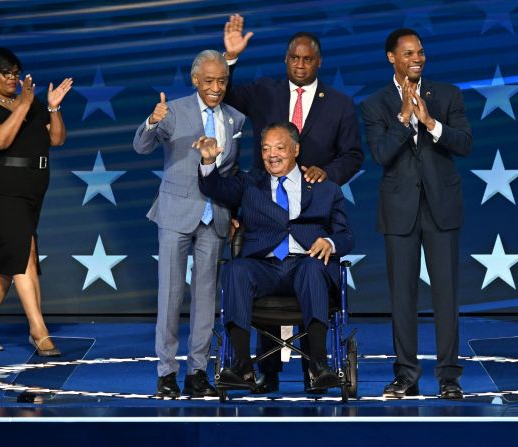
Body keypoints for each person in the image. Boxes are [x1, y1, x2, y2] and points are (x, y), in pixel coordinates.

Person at [222, 14, 364, 393]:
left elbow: (352, 155)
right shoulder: (265, 91)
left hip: (311, 210)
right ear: (286, 60)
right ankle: (258, 370)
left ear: (318, 62)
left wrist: (326, 175)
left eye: (307, 59)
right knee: (253, 265)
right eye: (293, 59)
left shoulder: (339, 104)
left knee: (308, 270)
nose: (300, 65)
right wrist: (230, 59)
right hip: (263, 207)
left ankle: (315, 368)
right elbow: (227, 96)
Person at [196, 121, 354, 393]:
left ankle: (318, 366)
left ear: (295, 149)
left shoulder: (325, 189)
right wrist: (208, 162)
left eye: (280, 148)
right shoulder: (250, 183)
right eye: (266, 148)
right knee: (236, 270)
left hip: (305, 265)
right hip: (263, 267)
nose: (272, 155)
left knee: (313, 268)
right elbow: (216, 189)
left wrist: (329, 242)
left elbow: (346, 236)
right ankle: (242, 366)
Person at [361, 29, 472, 399]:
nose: (417, 59)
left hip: (442, 207)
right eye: (408, 53)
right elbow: (380, 154)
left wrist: (430, 124)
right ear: (391, 57)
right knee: (402, 297)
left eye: (420, 52)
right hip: (399, 211)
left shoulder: (447, 95)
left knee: (446, 295)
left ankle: (449, 377)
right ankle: (406, 375)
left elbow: (465, 143)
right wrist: (405, 119)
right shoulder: (375, 104)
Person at [133, 50, 245, 398]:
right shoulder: (174, 110)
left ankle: (198, 373)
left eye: (222, 81)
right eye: (209, 81)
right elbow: (141, 146)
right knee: (170, 295)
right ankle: (166, 373)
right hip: (176, 214)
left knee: (206, 299)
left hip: (215, 217)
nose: (216, 87)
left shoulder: (235, 119)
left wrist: (234, 210)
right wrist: (152, 121)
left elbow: (229, 172)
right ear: (196, 80)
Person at [0, 47, 72, 357]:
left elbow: (56, 139)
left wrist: (52, 109)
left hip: (32, 190)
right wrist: (23, 105)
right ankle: (38, 331)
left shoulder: (33, 103)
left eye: (16, 72)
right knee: (25, 252)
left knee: (7, 258)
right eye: (6, 74)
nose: (13, 78)